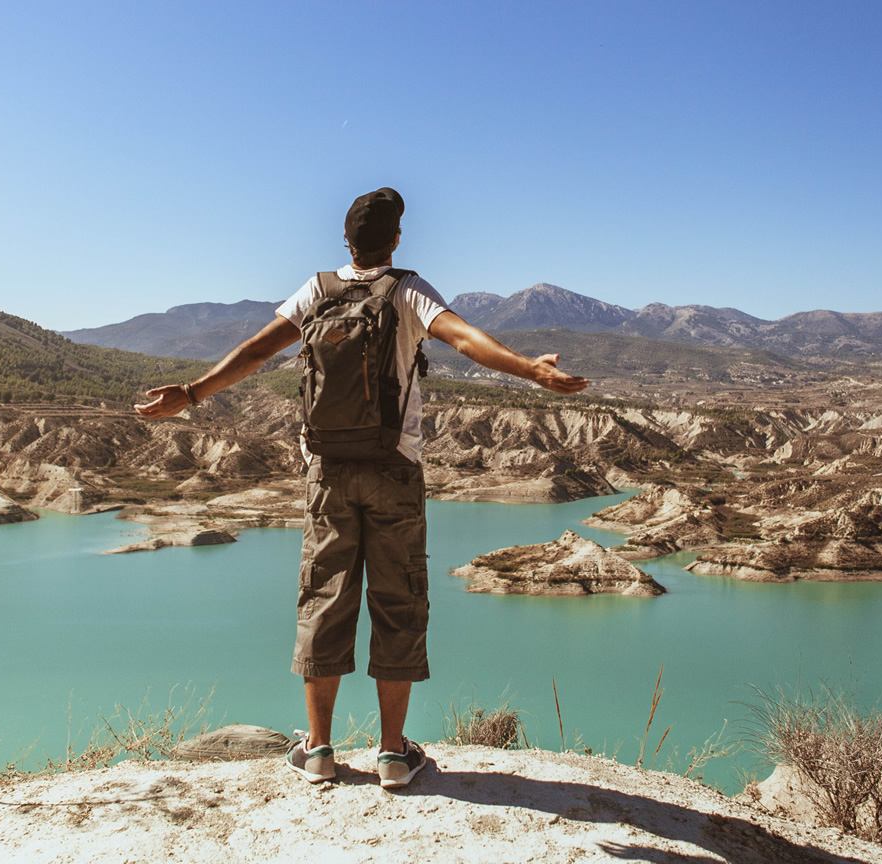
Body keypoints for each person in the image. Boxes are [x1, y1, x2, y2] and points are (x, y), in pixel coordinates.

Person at [134, 187, 587, 788]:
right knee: (397, 603)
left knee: (324, 597)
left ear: (345, 242)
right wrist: (533, 369)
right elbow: (464, 339)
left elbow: (256, 351)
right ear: (396, 239)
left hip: (326, 471)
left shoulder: (317, 290)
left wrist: (190, 394)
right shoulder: (407, 290)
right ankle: (394, 755)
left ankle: (318, 750)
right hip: (395, 469)